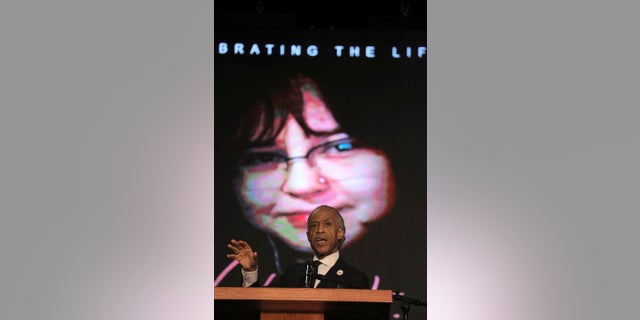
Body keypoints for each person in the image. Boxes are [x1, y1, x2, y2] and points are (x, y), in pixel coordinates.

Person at [227, 205, 369, 289]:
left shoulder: (355, 279)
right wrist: (250, 271)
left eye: (327, 224)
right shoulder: (293, 274)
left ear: (340, 233)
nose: (319, 230)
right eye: (314, 226)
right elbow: (260, 305)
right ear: (308, 236)